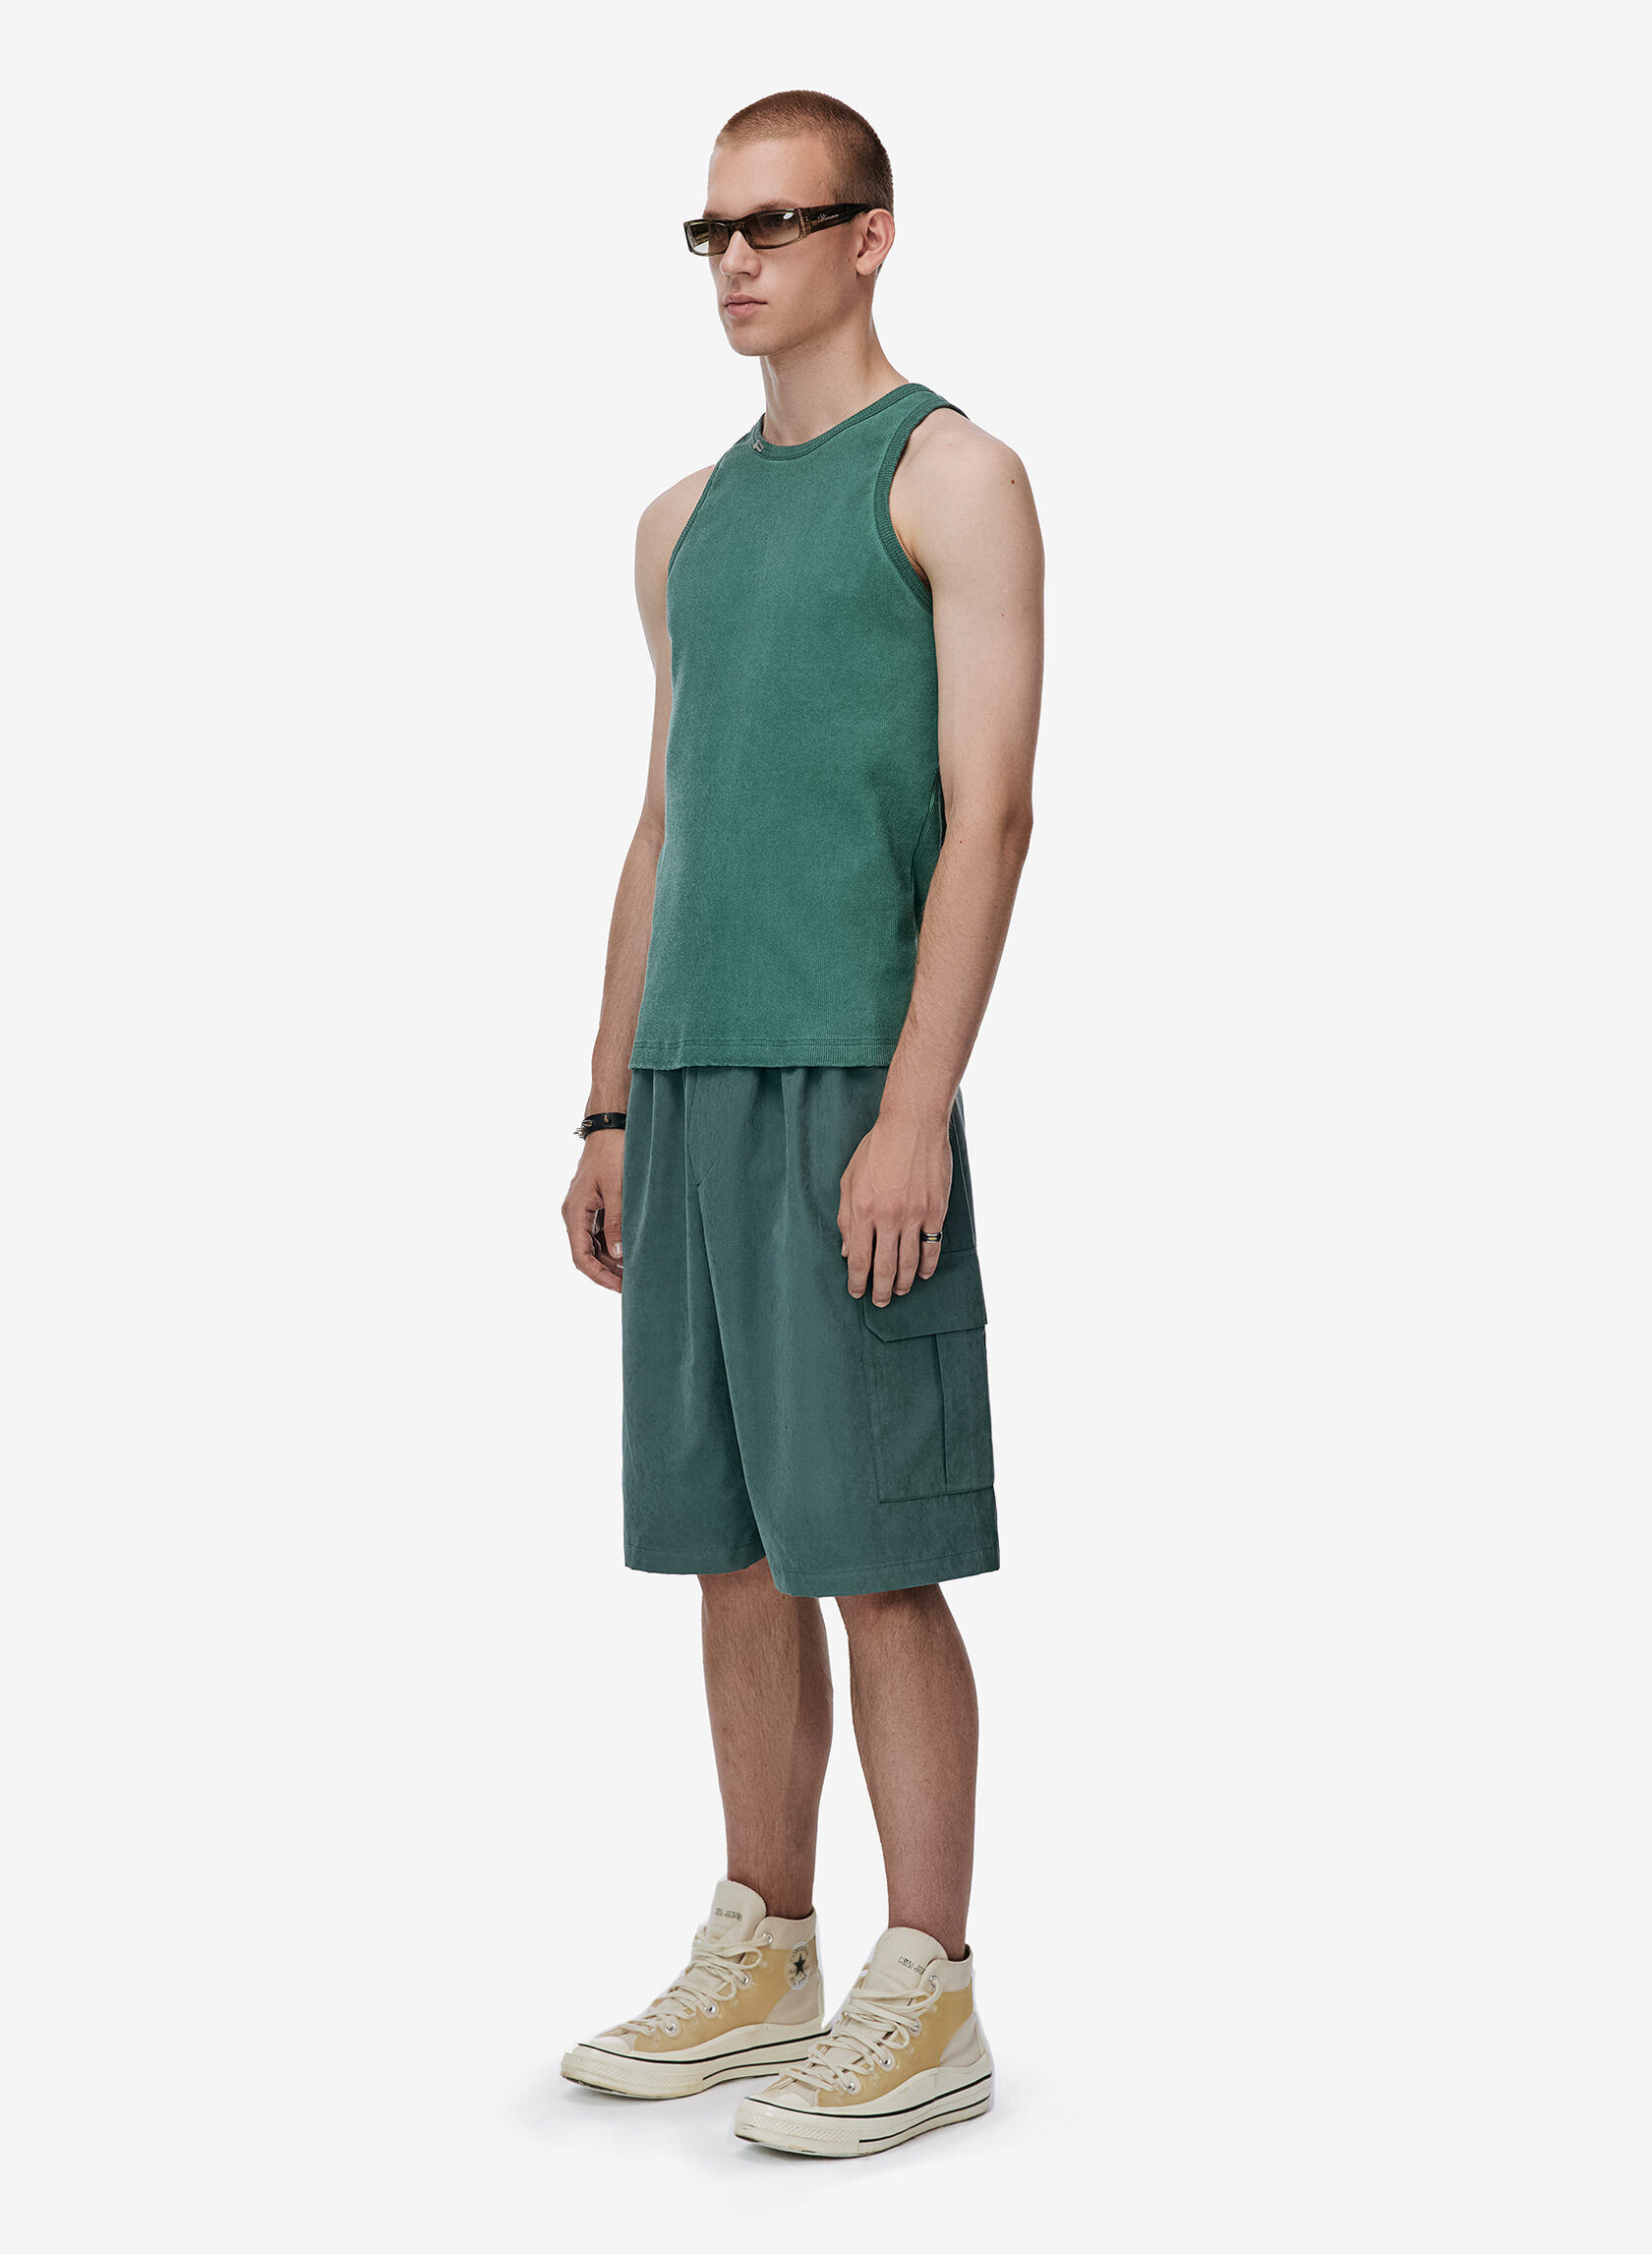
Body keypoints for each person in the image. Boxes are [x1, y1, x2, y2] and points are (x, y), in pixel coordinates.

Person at [559, 88, 1042, 2158]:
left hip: (856, 1080)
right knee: (733, 1549)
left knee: (875, 1551)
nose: (738, 261)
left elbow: (992, 814)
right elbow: (663, 823)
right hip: (688, 1087)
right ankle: (766, 1943)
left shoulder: (952, 478)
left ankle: (928, 1992)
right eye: (713, 231)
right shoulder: (679, 522)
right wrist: (607, 1106)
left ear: (872, 236)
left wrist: (917, 1108)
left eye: (777, 223)